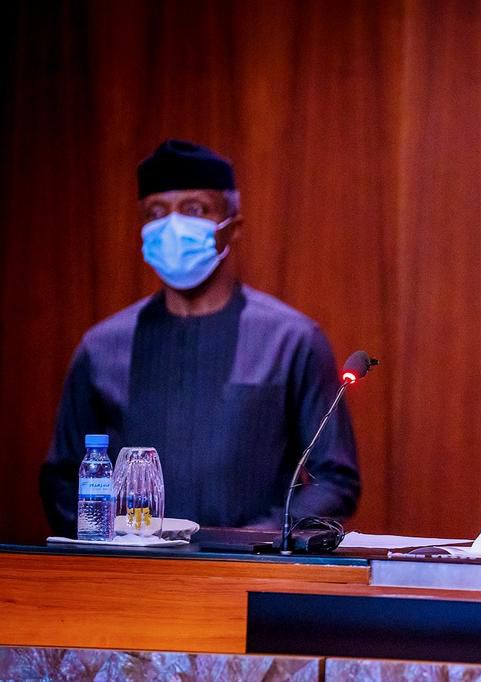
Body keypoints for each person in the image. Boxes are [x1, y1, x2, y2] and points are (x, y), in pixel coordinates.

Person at [40, 139, 360, 536]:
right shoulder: (103, 347)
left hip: (246, 572)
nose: (172, 226)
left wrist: (253, 541)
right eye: (156, 213)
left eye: (194, 209)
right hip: (128, 570)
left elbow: (335, 478)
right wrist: (112, 543)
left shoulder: (290, 340)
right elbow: (63, 479)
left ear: (232, 227)